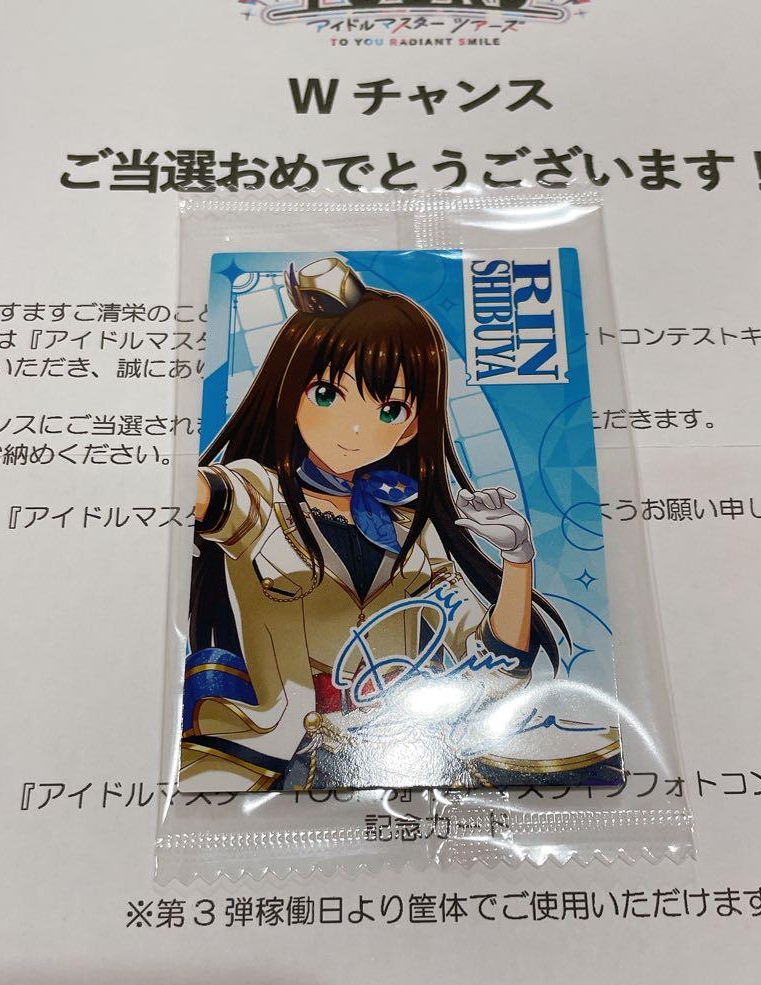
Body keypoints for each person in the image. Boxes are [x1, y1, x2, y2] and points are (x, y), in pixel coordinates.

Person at [182, 257, 567, 790]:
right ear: (289, 394)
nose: (356, 430)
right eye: (326, 395)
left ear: (410, 426)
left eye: (389, 410)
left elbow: (495, 665)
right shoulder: (257, 496)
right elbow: (201, 492)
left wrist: (518, 559)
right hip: (263, 760)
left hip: (391, 756)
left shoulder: (413, 531)